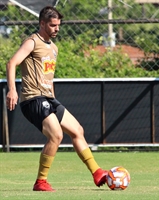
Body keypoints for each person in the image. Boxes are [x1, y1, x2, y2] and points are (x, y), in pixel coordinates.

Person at [6, 6, 107, 192]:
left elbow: (48, 76)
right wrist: (12, 90)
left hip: (48, 98)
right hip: (32, 98)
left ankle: (97, 172)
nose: (56, 29)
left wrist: (53, 100)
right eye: (52, 25)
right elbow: (12, 63)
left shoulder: (54, 48)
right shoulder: (32, 42)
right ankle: (41, 182)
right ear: (42, 23)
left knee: (77, 130)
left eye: (58, 25)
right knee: (56, 135)